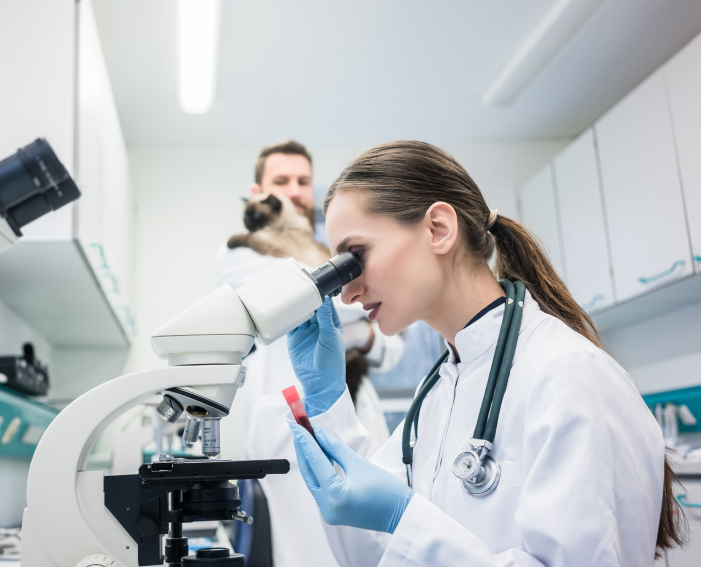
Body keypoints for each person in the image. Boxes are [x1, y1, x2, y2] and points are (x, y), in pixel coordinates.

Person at [287, 141, 683, 566]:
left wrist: (408, 519)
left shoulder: (571, 376)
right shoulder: (436, 394)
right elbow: (377, 552)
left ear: (439, 228)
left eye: (355, 256)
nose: (346, 291)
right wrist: (328, 402)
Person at [215, 140, 405, 567]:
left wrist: (361, 337)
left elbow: (391, 344)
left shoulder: (326, 252)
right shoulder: (241, 251)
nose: (295, 191)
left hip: (355, 413)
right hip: (288, 426)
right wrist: (357, 323)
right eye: (281, 181)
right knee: (309, 551)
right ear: (258, 190)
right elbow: (307, 296)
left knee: (370, 546)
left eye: (303, 181)